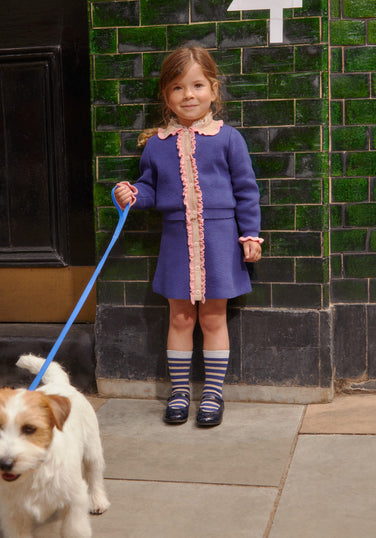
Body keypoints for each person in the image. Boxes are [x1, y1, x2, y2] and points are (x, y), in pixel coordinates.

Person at [115, 46, 262, 427]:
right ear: (166, 96)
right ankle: (179, 391)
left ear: (213, 90)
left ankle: (212, 394)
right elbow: (149, 190)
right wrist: (131, 194)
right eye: (178, 88)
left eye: (198, 85)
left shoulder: (228, 139)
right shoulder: (157, 145)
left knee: (214, 317)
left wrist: (250, 234)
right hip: (177, 242)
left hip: (220, 239)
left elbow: (246, 190)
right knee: (180, 316)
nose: (189, 95)